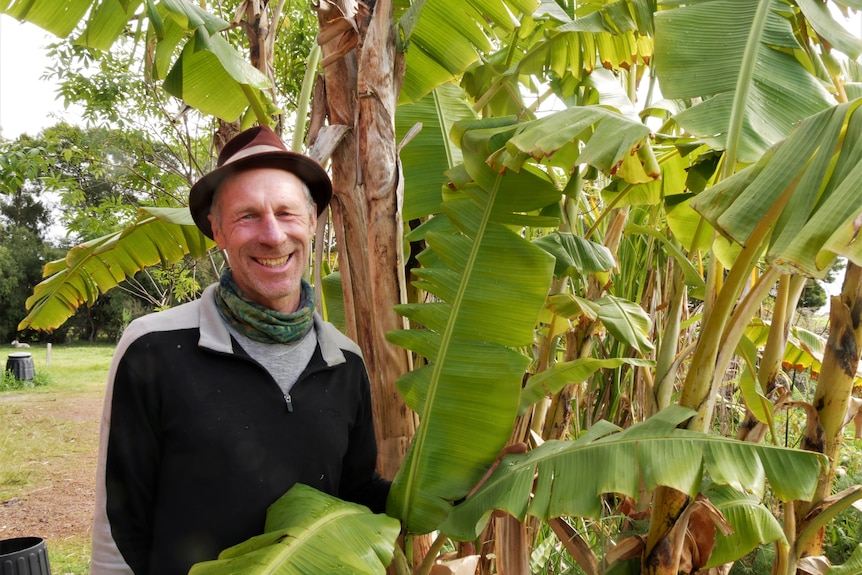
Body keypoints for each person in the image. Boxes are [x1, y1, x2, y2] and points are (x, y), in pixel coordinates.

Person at [90, 125, 391, 575]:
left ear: (312, 222)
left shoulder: (344, 359)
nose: (272, 235)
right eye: (247, 216)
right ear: (218, 231)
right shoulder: (153, 347)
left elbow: (357, 494)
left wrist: (455, 484)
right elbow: (120, 525)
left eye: (287, 213)